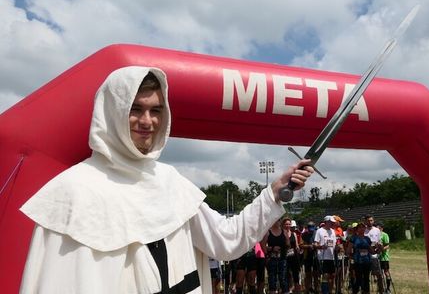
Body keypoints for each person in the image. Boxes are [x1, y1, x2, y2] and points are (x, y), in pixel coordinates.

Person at [19, 66, 314, 293]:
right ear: (112, 112)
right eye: (135, 109)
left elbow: (226, 241)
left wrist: (275, 191)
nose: (147, 121)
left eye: (155, 110)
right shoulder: (71, 193)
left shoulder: (169, 181)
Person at [262, 219, 290, 294]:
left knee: (283, 278)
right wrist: (270, 250)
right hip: (272, 258)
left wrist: (283, 247)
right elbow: (263, 244)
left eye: (279, 220)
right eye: (276, 220)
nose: (278, 222)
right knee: (272, 279)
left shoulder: (284, 231)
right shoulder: (268, 232)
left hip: (282, 258)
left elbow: (288, 244)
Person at [314, 216, 338, 294]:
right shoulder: (319, 231)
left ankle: (330, 291)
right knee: (325, 276)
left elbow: (334, 244)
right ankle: (325, 292)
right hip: (322, 257)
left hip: (332, 257)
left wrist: (338, 247)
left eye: (333, 222)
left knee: (332, 275)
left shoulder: (333, 231)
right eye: (331, 222)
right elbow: (315, 244)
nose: (332, 223)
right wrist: (321, 246)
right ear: (326, 222)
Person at [349, 223, 373, 294]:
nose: (362, 229)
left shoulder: (367, 239)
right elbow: (348, 250)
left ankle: (366, 292)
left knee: (366, 279)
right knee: (358, 279)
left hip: (367, 261)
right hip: (358, 261)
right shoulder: (353, 238)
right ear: (357, 229)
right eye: (360, 227)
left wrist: (379, 248)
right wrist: (351, 256)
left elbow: (371, 250)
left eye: (363, 227)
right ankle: (355, 291)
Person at [283, 218, 302, 294]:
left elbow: (296, 244)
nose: (288, 225)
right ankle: (287, 290)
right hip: (285, 256)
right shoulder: (282, 233)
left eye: (289, 224)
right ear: (283, 225)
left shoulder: (293, 234)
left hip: (294, 256)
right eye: (286, 224)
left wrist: (298, 249)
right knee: (286, 274)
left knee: (296, 274)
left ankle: (297, 290)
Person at [300, 221, 319, 294]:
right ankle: (307, 289)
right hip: (307, 256)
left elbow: (321, 243)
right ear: (307, 228)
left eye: (312, 228)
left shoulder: (317, 233)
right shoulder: (304, 235)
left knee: (316, 274)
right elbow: (301, 245)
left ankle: (316, 289)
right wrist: (309, 246)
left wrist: (316, 245)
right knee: (308, 274)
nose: (311, 230)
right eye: (309, 228)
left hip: (316, 256)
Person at [377, 223, 392, 294]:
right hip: (377, 258)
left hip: (384, 257)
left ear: (382, 228)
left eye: (379, 228)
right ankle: (380, 288)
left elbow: (388, 246)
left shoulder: (385, 235)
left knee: (386, 272)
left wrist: (381, 249)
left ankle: (388, 288)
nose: (377, 229)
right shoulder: (375, 235)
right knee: (379, 274)